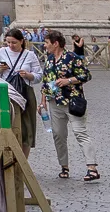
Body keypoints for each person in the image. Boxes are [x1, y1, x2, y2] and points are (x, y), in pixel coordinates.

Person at [41, 29, 98, 181]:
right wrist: (42, 103)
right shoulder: (49, 59)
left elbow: (86, 75)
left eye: (47, 43)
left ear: (56, 43)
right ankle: (64, 167)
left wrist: (69, 80)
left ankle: (92, 168)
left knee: (80, 132)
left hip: (73, 102)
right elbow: (46, 82)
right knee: (58, 135)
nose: (45, 46)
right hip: (54, 102)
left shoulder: (72, 57)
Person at [0, 28, 42, 151]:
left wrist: (28, 75)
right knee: (5, 125)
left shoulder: (30, 55)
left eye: (13, 42)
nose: (10, 45)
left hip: (25, 93)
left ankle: (23, 164)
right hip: (6, 92)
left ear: (21, 41)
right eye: (8, 42)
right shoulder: (2, 52)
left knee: (26, 129)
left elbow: (39, 76)